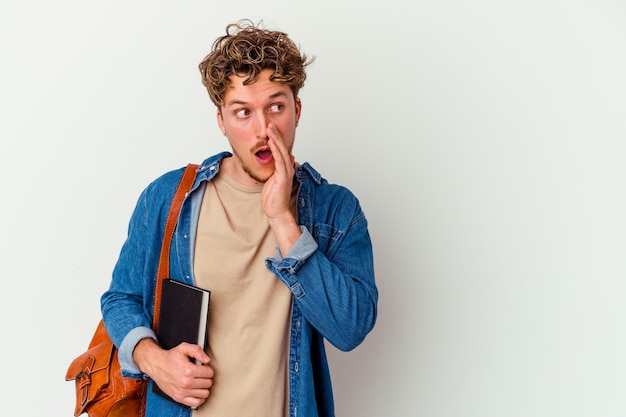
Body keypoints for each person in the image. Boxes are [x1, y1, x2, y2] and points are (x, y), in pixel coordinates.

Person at [101, 19, 378, 417]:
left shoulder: (334, 210)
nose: (263, 130)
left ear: (297, 110)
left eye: (276, 107)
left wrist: (283, 219)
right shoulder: (168, 198)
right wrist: (153, 360)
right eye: (243, 112)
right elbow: (121, 298)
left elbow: (350, 329)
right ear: (222, 121)